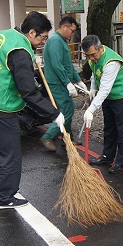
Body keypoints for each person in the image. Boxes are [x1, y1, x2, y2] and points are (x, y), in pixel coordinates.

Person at [0, 11, 65, 209]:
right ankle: (5, 198)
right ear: (31, 32)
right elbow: (28, 92)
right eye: (43, 37)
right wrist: (54, 114)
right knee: (10, 153)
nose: (43, 42)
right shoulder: (21, 52)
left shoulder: (7, 35)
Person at [81, 35, 123, 174]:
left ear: (100, 48)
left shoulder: (111, 61)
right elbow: (94, 73)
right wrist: (92, 87)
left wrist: (91, 110)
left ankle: (120, 162)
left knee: (122, 130)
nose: (91, 58)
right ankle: (107, 156)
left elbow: (105, 89)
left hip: (121, 95)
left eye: (93, 54)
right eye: (88, 56)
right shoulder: (94, 58)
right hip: (109, 97)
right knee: (109, 127)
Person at [40, 16, 87, 151]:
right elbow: (56, 65)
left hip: (62, 81)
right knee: (67, 110)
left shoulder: (63, 41)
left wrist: (78, 80)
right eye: (72, 31)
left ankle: (68, 137)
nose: (73, 34)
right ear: (64, 27)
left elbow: (68, 65)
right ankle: (48, 136)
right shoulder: (55, 41)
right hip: (57, 82)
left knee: (68, 108)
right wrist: (67, 83)